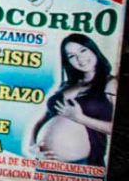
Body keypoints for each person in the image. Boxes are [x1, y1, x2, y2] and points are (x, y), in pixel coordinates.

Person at [31, 33, 117, 166]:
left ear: (93, 50)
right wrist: (33, 147)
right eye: (71, 56)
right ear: (67, 61)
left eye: (83, 50)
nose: (80, 58)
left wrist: (80, 118)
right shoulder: (66, 85)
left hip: (83, 166)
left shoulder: (111, 83)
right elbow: (41, 121)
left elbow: (115, 128)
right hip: (45, 163)